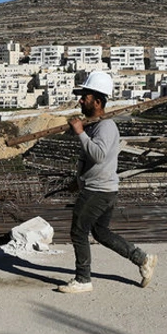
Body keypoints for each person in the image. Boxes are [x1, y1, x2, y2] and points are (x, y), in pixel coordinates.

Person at [58, 71, 157, 294]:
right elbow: (89, 160)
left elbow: (99, 155)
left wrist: (80, 133)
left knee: (78, 231)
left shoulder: (106, 126)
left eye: (85, 97)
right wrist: (77, 180)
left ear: (98, 101)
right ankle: (142, 259)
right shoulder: (95, 125)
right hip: (101, 188)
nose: (80, 101)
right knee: (100, 232)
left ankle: (83, 279)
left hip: (98, 191)